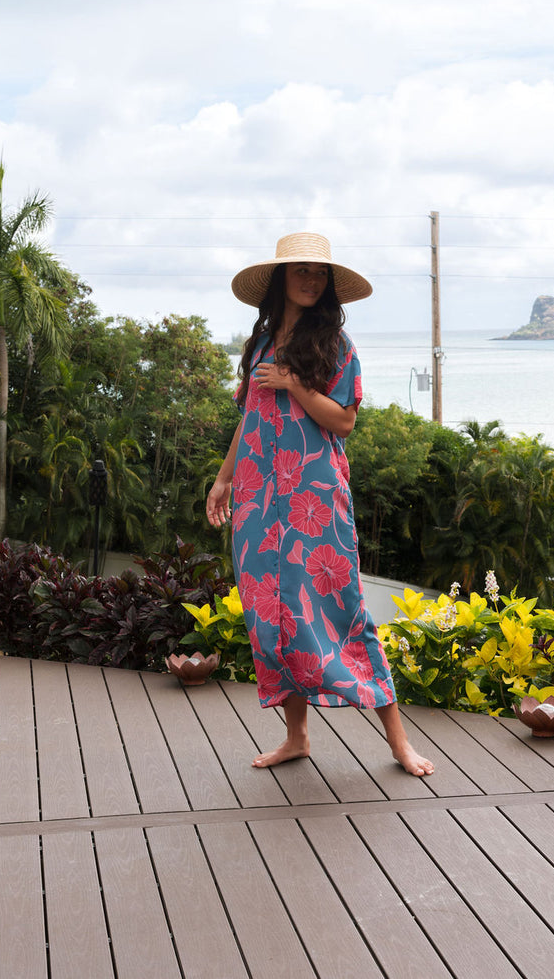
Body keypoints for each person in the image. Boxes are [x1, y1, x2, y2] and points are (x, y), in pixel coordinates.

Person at [206, 232, 435, 777]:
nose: (310, 280)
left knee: (341, 611)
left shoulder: (337, 346)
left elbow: (345, 422)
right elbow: (249, 418)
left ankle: (399, 742)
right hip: (259, 505)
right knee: (274, 619)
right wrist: (223, 480)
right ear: (281, 280)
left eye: (318, 272)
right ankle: (297, 737)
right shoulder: (260, 342)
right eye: (300, 271)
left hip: (315, 502)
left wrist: (294, 385)